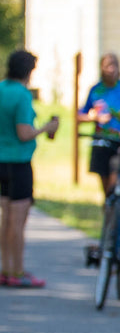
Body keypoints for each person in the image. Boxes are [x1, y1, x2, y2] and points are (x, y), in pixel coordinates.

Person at [0, 50, 58, 288]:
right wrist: (47, 127)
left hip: (1, 162)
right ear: (28, 71)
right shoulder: (22, 95)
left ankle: (5, 269)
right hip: (19, 164)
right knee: (18, 222)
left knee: (5, 220)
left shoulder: (1, 88)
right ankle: (18, 271)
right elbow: (24, 133)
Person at [77, 52, 120, 197]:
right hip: (101, 142)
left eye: (114, 65)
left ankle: (119, 211)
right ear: (101, 68)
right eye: (108, 66)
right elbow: (80, 116)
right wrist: (93, 117)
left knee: (116, 181)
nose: (111, 69)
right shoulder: (96, 90)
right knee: (106, 189)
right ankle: (109, 215)